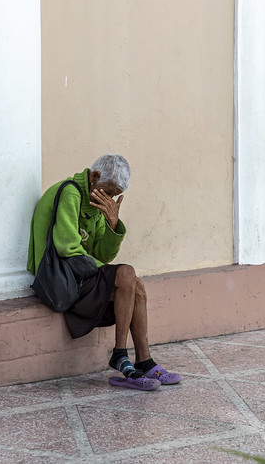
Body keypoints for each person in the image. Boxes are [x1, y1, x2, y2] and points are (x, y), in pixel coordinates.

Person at [28, 153, 182, 390]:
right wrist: (114, 274)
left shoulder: (95, 205)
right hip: (59, 277)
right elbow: (66, 246)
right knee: (127, 273)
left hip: (80, 275)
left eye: (113, 196)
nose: (109, 199)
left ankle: (143, 361)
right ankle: (120, 354)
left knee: (136, 285)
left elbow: (103, 255)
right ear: (95, 177)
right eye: (108, 192)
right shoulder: (70, 193)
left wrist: (111, 225)